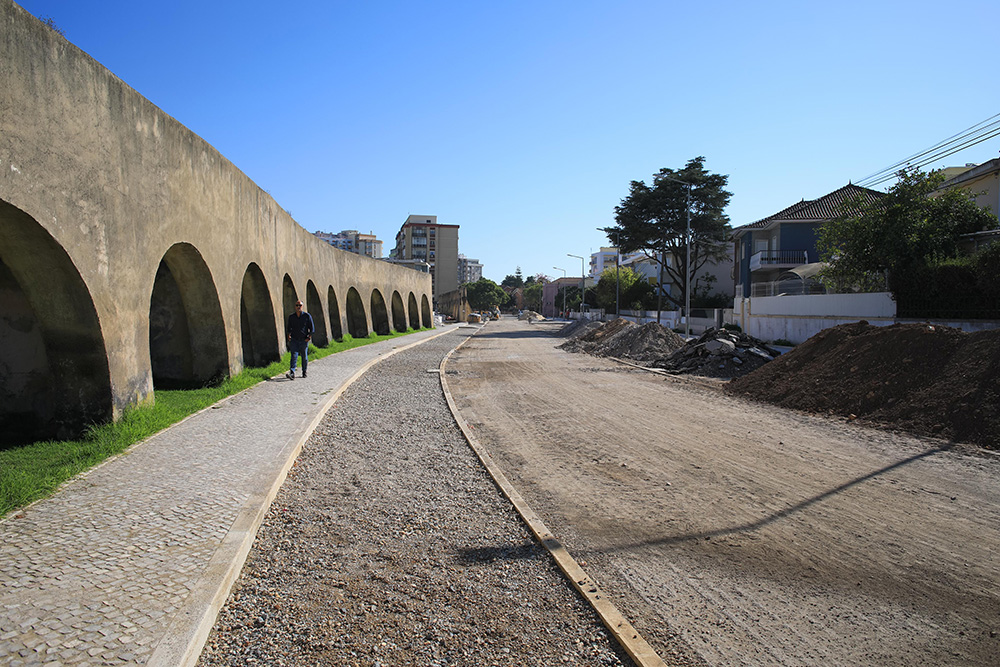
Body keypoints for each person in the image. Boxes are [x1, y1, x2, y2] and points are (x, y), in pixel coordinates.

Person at [285, 300, 314, 380]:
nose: (298, 307)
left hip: (303, 340)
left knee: (304, 356)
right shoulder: (291, 317)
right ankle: (292, 372)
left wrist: (309, 337)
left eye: (300, 305)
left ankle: (304, 371)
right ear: (295, 306)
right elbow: (289, 328)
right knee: (294, 355)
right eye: (297, 305)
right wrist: (289, 335)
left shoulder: (307, 316)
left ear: (302, 306)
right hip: (294, 339)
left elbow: (311, 328)